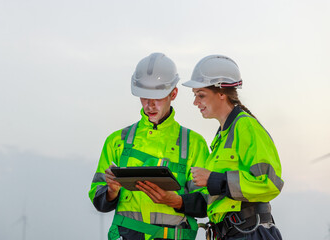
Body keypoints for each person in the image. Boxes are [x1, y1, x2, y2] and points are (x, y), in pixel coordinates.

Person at [89, 53, 210, 240]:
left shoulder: (194, 144)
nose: (149, 105)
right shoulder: (116, 141)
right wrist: (111, 191)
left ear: (173, 94)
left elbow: (207, 203)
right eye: (144, 97)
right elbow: (99, 201)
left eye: (157, 97)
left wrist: (176, 201)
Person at [182, 55, 284, 240]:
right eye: (195, 95)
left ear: (221, 93)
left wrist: (214, 179)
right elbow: (216, 197)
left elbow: (270, 182)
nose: (195, 102)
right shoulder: (222, 136)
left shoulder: (246, 126)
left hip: (250, 233)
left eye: (201, 95)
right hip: (232, 233)